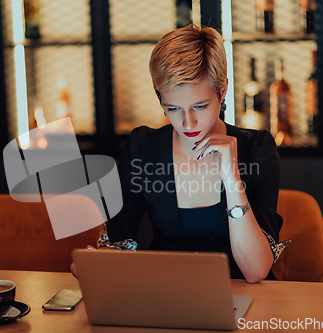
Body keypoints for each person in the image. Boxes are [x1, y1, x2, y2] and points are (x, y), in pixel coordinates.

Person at [75, 24, 289, 283]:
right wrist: (97, 261)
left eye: (200, 106)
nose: (188, 123)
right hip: (167, 299)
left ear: (222, 91)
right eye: (173, 108)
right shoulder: (143, 148)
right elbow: (118, 240)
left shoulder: (257, 149)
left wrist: (232, 180)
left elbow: (256, 271)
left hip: (247, 302)